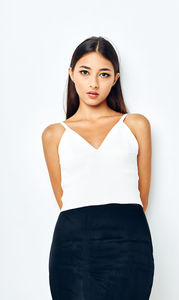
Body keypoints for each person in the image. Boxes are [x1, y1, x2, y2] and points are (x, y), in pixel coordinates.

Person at [42, 36, 155, 300]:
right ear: (71, 74)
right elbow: (64, 198)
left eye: (103, 74)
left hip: (129, 243)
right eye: (85, 72)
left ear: (115, 78)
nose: (93, 83)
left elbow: (141, 196)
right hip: (72, 246)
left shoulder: (135, 125)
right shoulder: (54, 134)